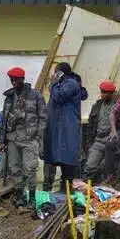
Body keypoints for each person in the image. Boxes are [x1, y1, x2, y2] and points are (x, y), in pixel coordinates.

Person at [0, 67, 47, 210]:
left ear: (23, 79)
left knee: (30, 169)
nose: (14, 82)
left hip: (29, 137)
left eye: (17, 79)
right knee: (14, 169)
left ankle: (31, 198)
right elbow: (4, 119)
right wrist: (3, 139)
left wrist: (38, 137)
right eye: (12, 80)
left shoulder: (36, 96)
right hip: (12, 137)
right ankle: (20, 197)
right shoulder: (9, 97)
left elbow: (43, 119)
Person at [43, 62, 86, 192]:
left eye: (55, 72)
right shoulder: (62, 84)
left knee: (67, 157)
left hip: (67, 128)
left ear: (60, 73)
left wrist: (53, 83)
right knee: (53, 157)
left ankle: (65, 190)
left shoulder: (71, 84)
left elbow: (59, 96)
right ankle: (50, 189)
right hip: (58, 128)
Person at [84, 80, 120, 184]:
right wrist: (89, 143)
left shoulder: (119, 106)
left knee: (106, 169)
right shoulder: (97, 106)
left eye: (105, 92)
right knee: (90, 166)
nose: (102, 94)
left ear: (111, 93)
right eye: (101, 92)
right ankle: (87, 191)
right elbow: (90, 125)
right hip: (98, 140)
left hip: (111, 140)